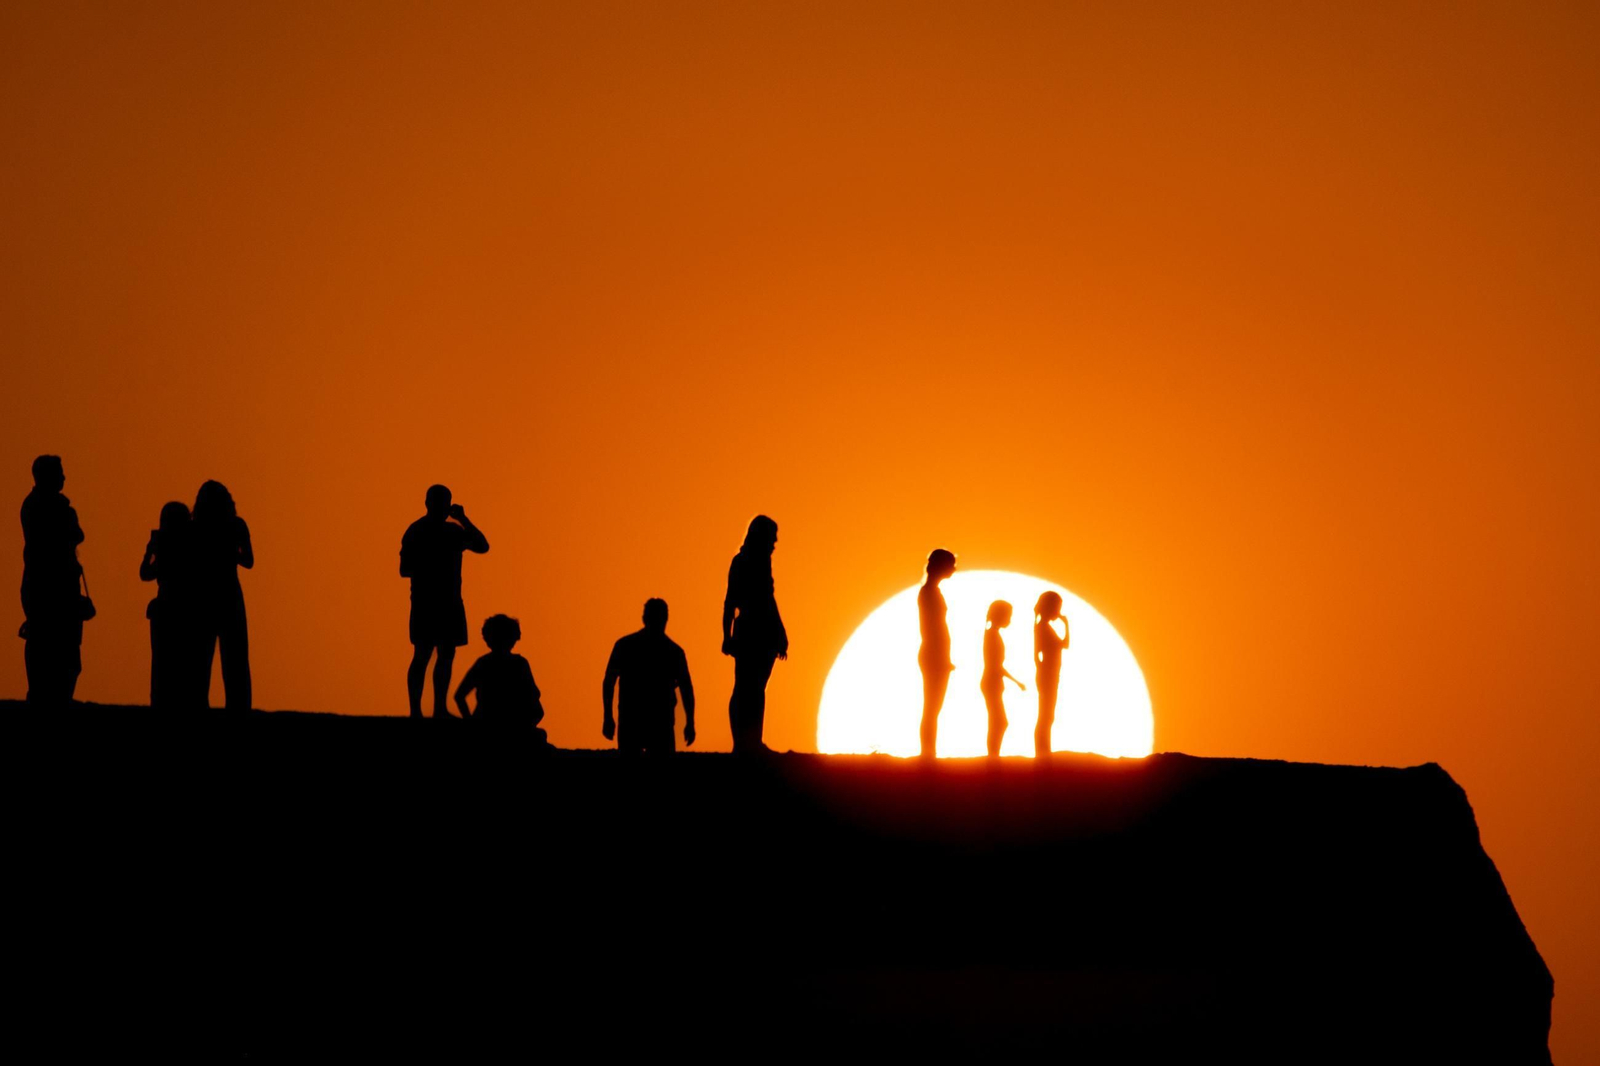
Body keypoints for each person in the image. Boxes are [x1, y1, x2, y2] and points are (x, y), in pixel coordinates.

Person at [400, 485, 489, 719]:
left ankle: (439, 708)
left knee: (445, 655)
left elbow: (483, 546)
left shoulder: (453, 532)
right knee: (423, 654)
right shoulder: (417, 531)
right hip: (426, 602)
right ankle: (416, 711)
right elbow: (404, 569)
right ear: (428, 503)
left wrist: (462, 519)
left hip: (449, 602)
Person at [20, 455, 88, 704]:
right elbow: (72, 535)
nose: (64, 477)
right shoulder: (46, 507)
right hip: (49, 589)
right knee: (51, 647)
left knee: (62, 650)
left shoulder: (39, 505)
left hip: (51, 587)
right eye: (59, 472)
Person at [721, 515, 787, 754]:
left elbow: (768, 599)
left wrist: (779, 631)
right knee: (745, 688)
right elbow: (731, 600)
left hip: (762, 631)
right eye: (771, 539)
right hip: (752, 630)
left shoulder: (760, 562)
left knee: (755, 688)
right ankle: (743, 743)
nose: (774, 544)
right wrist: (726, 635)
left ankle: (751, 742)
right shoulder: (743, 562)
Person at [603, 598, 695, 755]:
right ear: (666, 619)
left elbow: (609, 682)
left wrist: (608, 717)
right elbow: (686, 689)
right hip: (652, 720)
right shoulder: (673, 651)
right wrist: (690, 722)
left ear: (644, 618)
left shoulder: (625, 645)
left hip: (638, 719)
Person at [192, 480, 254, 711]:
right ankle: (239, 707)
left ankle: (199, 705)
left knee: (201, 656)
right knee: (234, 657)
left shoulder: (195, 527)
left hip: (204, 596)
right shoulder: (236, 525)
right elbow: (248, 560)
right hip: (228, 595)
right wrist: (230, 553)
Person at [454, 614, 547, 742]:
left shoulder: (483, 663)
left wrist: (470, 722)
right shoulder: (519, 664)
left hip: (486, 722)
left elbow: (459, 696)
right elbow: (534, 694)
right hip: (509, 724)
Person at [140, 501, 196, 709]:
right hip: (185, 610)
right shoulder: (191, 546)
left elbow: (145, 573)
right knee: (183, 664)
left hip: (166, 607)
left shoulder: (166, 546)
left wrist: (150, 552)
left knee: (162, 664)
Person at [917, 548, 957, 759]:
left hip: (937, 653)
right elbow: (931, 627)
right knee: (932, 707)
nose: (954, 569)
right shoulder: (929, 592)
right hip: (934, 653)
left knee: (933, 707)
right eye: (951, 564)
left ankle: (929, 751)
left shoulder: (932, 591)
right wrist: (941, 655)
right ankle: (927, 752)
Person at [980, 600, 1025, 758]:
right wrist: (1016, 681)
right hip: (991, 681)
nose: (1009, 620)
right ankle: (993, 756)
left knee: (998, 721)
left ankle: (993, 755)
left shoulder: (992, 634)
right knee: (999, 721)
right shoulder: (992, 635)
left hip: (993, 681)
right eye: (1008, 616)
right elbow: (995, 665)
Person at [1033, 591, 1071, 758]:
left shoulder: (1044, 627)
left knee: (1048, 715)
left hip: (1050, 675)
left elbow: (1064, 645)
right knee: (1046, 715)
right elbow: (1038, 654)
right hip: (1047, 676)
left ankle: (1044, 750)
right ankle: (1042, 752)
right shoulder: (1042, 627)